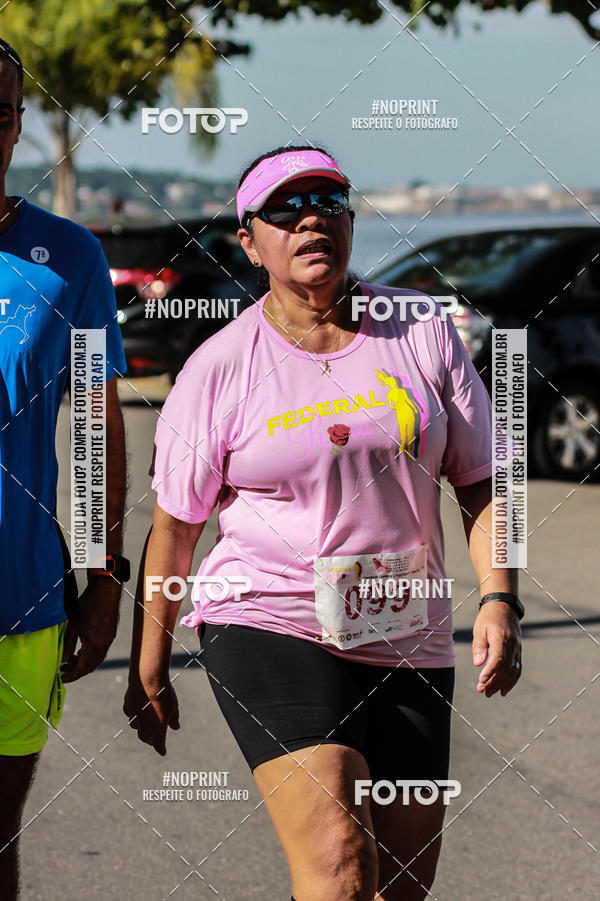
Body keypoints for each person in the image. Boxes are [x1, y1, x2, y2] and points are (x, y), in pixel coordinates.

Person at [125, 144, 523, 901]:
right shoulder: (220, 366)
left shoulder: (421, 330)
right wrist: (150, 658)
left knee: (402, 883)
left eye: (330, 202)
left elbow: (484, 480)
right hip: (266, 613)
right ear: (249, 240)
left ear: (350, 219)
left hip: (406, 626)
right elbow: (175, 528)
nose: (311, 219)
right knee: (339, 863)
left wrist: (500, 595)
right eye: (285, 208)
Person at [0, 39, 129, 899]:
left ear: (15, 127)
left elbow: (92, 428)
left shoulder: (69, 256)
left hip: (22, 598)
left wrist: (105, 574)